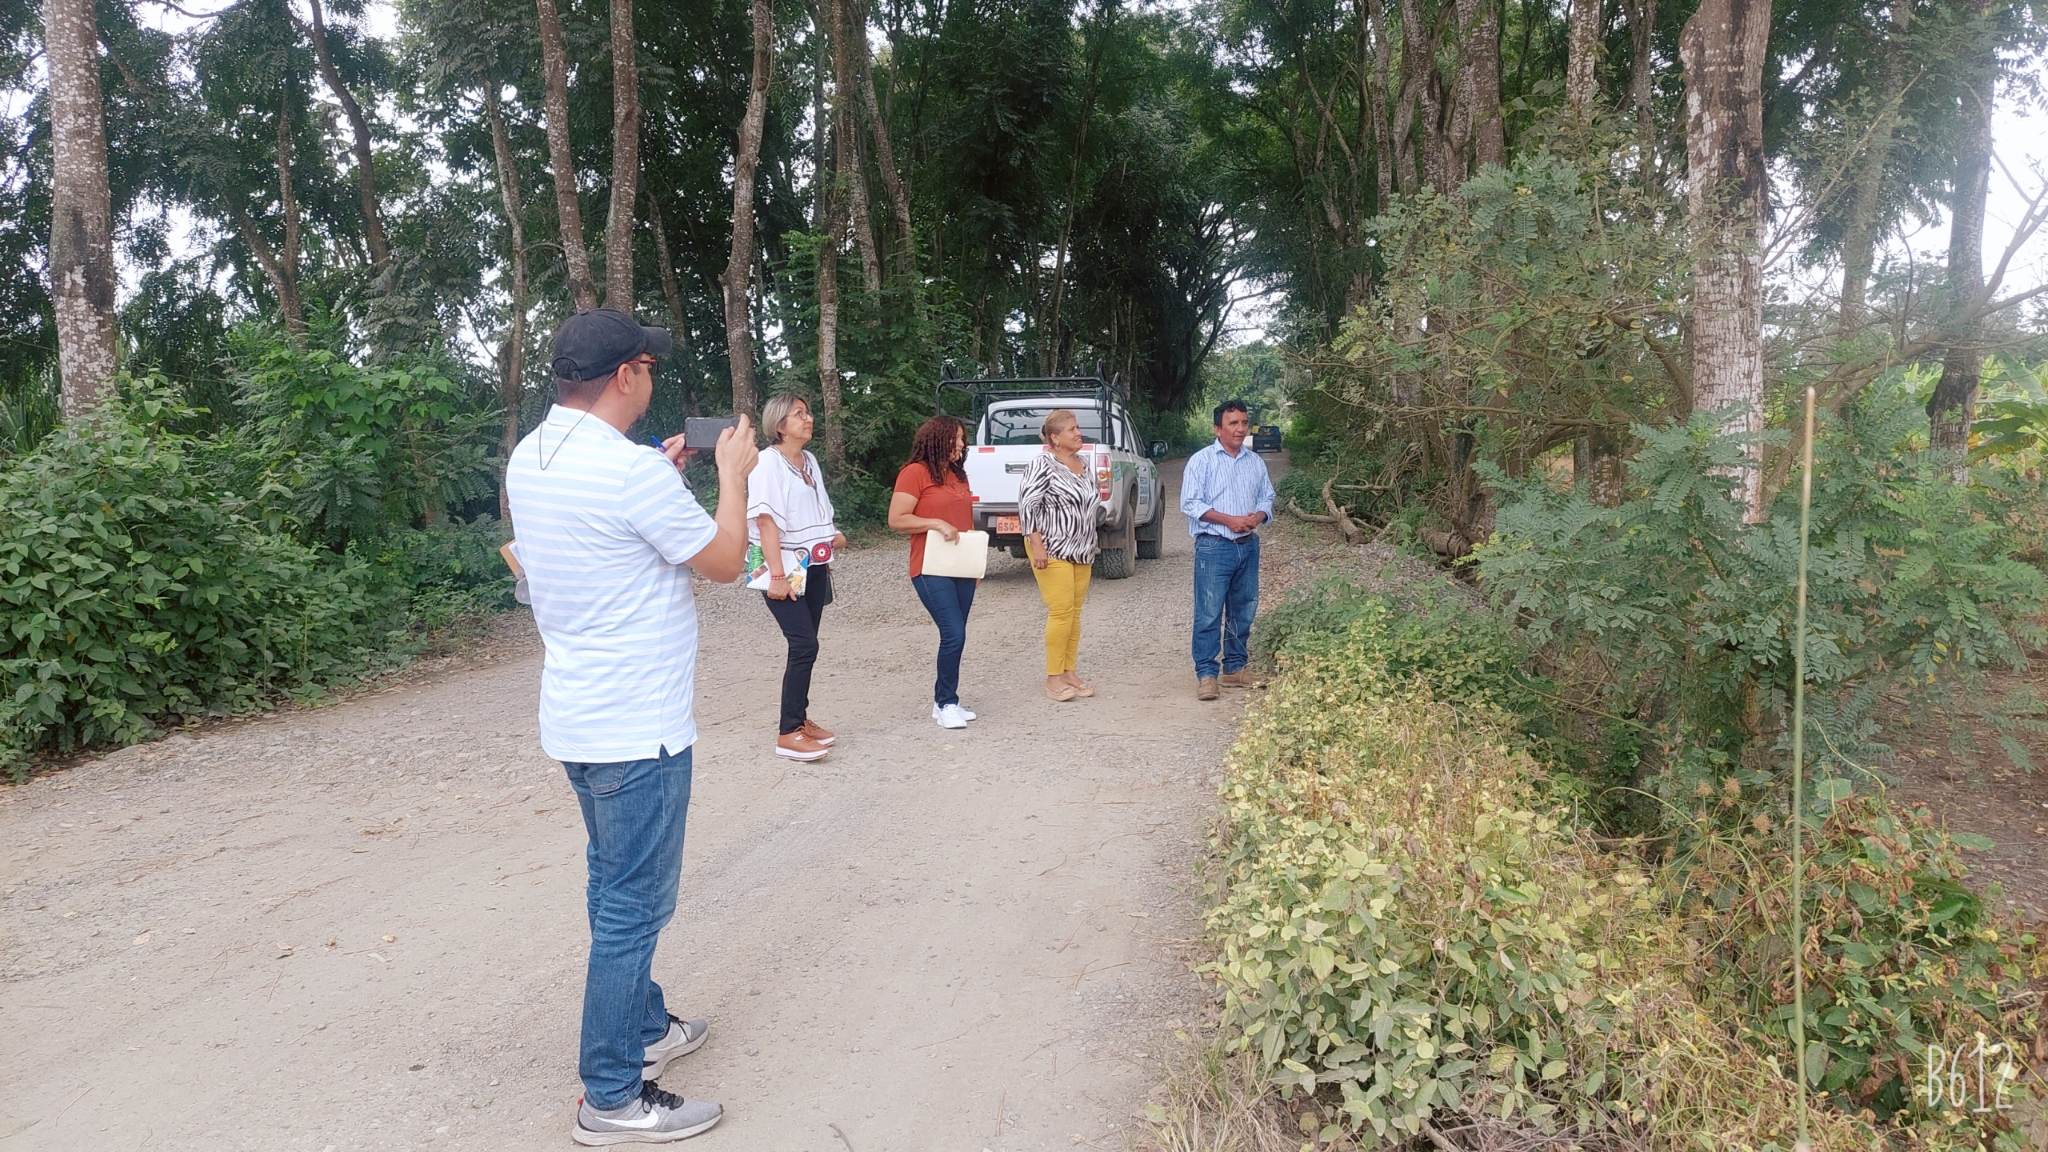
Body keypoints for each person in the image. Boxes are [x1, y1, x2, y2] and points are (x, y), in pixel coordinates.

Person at [504, 308, 758, 1145]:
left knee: (611, 885)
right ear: (626, 375)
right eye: (648, 367)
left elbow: (600, 532)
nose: (652, 379)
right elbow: (725, 563)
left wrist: (657, 474)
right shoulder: (629, 474)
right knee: (634, 908)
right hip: (639, 727)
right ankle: (611, 1094)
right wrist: (732, 476)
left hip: (579, 719)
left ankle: (645, 1025)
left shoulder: (532, 456)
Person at [748, 393, 847, 762]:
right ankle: (788, 732)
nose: (808, 419)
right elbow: (765, 521)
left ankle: (800, 719)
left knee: (808, 643)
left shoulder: (809, 460)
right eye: (799, 414)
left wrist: (830, 536)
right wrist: (776, 576)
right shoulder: (767, 463)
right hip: (781, 567)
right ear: (779, 425)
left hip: (813, 563)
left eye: (808, 413)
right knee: (804, 644)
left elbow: (817, 509)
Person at [1180, 399, 1276, 701]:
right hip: (1214, 546)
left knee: (1244, 608)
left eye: (1244, 422)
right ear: (1217, 429)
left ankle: (1235, 668)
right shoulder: (1202, 461)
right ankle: (1207, 674)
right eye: (1233, 423)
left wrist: (1257, 517)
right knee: (1209, 612)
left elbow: (1267, 496)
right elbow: (1190, 503)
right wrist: (1229, 520)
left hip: (1248, 545)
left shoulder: (1255, 462)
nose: (1240, 429)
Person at [889, 415, 980, 730]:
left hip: (961, 565)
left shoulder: (957, 474)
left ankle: (945, 700)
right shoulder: (914, 473)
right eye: (956, 438)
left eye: (963, 438)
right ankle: (945, 703)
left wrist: (975, 560)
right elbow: (897, 519)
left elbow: (963, 519)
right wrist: (935, 523)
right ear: (937, 439)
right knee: (953, 633)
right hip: (929, 566)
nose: (961, 444)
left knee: (957, 634)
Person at [1018, 409, 1100, 702]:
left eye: (1078, 428)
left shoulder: (1084, 463)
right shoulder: (1042, 464)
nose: (1079, 433)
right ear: (1054, 437)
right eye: (1072, 429)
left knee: (1075, 613)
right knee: (1061, 611)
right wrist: (1036, 544)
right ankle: (1053, 678)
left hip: (1082, 548)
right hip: (1051, 547)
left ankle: (1069, 671)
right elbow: (1027, 505)